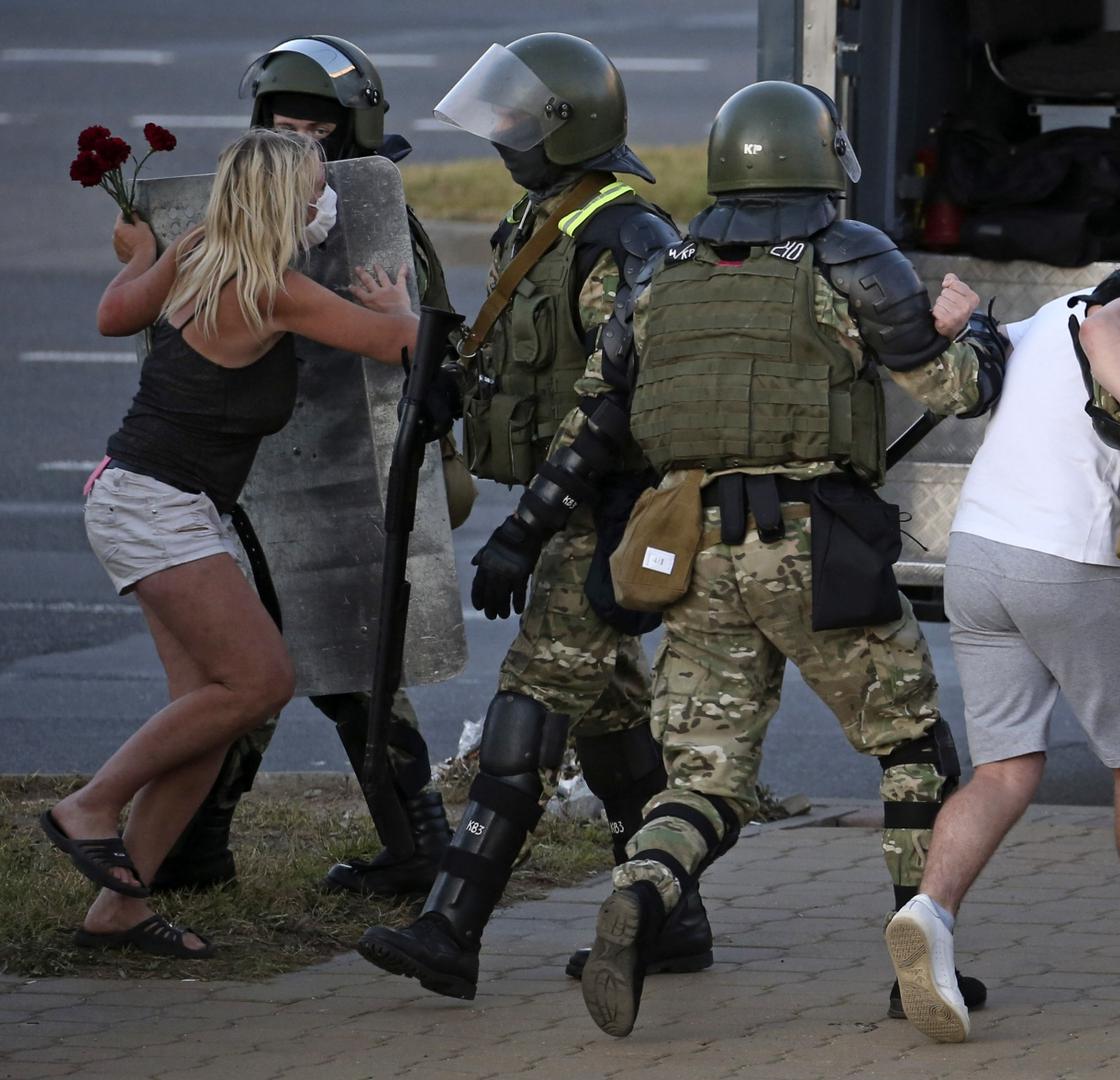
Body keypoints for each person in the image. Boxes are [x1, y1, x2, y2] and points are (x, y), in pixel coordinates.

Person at [492, 79, 1009, 1038]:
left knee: (702, 775)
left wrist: (521, 529)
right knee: (910, 750)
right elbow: (952, 388)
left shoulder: (663, 269)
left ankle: (645, 888)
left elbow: (594, 418)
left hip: (697, 548)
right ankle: (918, 955)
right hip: (815, 549)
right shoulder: (850, 255)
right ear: (823, 162)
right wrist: (971, 326)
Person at [355, 33, 706, 1002]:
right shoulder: (546, 215)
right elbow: (530, 366)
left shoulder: (624, 238)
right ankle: (673, 920)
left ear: (565, 130)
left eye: (517, 120)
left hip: (606, 512)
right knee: (612, 727)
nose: (502, 135)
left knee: (532, 706)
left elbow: (614, 399)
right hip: (569, 508)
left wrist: (529, 524)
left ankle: (450, 929)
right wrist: (448, 396)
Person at [38, 129, 418, 958]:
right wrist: (395, 308)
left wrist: (141, 256)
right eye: (316, 186)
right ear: (285, 200)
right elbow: (398, 346)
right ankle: (90, 806)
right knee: (261, 682)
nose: (324, 200)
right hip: (155, 502)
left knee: (205, 719)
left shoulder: (200, 249)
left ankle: (119, 912)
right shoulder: (270, 287)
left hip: (144, 493)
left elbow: (114, 314)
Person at [885, 183, 1120, 1044]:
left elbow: (984, 350)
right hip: (1075, 564)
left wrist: (962, 311)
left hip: (975, 556)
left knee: (1004, 770)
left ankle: (929, 913)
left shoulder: (1055, 307)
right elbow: (1108, 335)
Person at [153, 34, 472, 899]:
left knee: (334, 659)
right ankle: (196, 847)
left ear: (353, 127)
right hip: (260, 471)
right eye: (283, 129)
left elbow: (427, 344)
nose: (301, 145)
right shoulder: (257, 213)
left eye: (317, 129)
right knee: (266, 661)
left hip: (357, 470)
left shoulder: (375, 216)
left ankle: (403, 849)